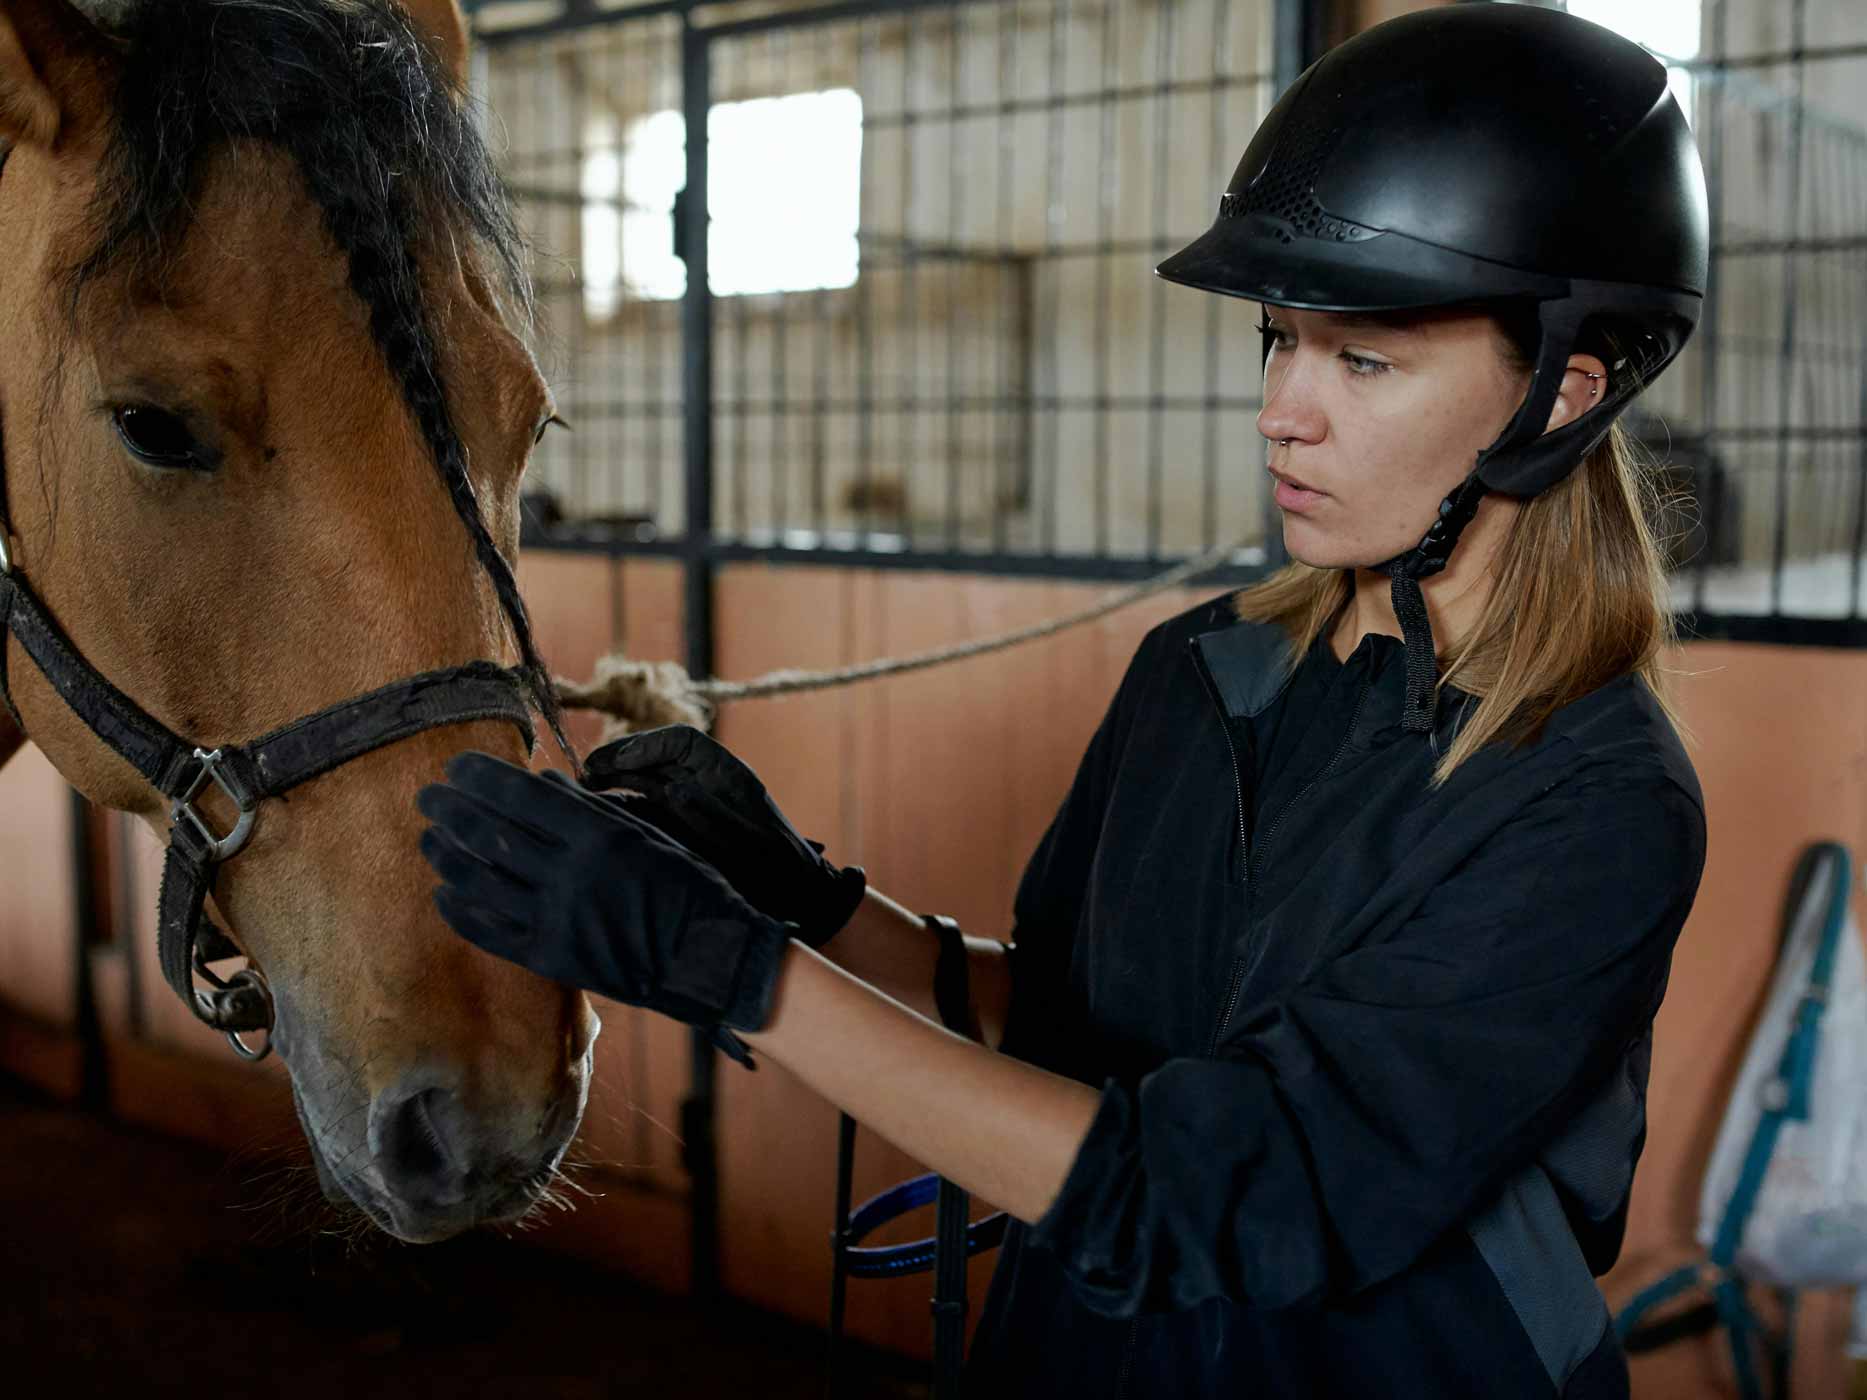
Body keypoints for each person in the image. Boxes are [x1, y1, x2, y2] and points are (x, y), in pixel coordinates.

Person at [415, 6, 1710, 1396]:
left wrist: (740, 978)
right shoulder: (1207, 670)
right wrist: (796, 897)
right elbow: (1057, 1034)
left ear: (1564, 394)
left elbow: (1230, 1191)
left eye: (1363, 360)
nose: (1282, 408)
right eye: (1280, 340)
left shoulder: (1591, 796)